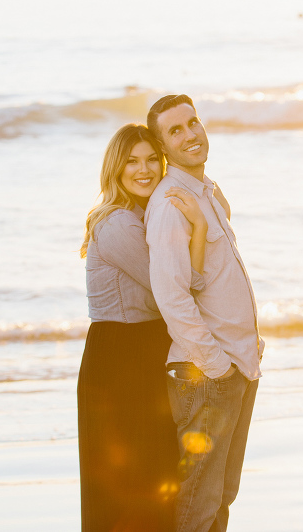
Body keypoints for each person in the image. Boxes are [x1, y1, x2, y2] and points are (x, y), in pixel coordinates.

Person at [77, 123, 210, 532]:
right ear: (115, 169)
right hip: (120, 358)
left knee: (156, 476)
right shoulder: (118, 223)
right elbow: (181, 287)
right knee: (128, 483)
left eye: (153, 159)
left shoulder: (147, 216)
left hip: (146, 350)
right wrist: (201, 230)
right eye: (132, 161)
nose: (144, 169)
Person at [144, 95, 263, 532]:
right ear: (163, 146)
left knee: (221, 497)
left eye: (192, 123)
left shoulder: (207, 193)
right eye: (175, 131)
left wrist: (247, 352)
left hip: (238, 365)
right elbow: (171, 297)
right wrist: (216, 366)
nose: (191, 134)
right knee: (198, 502)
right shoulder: (171, 205)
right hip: (210, 374)